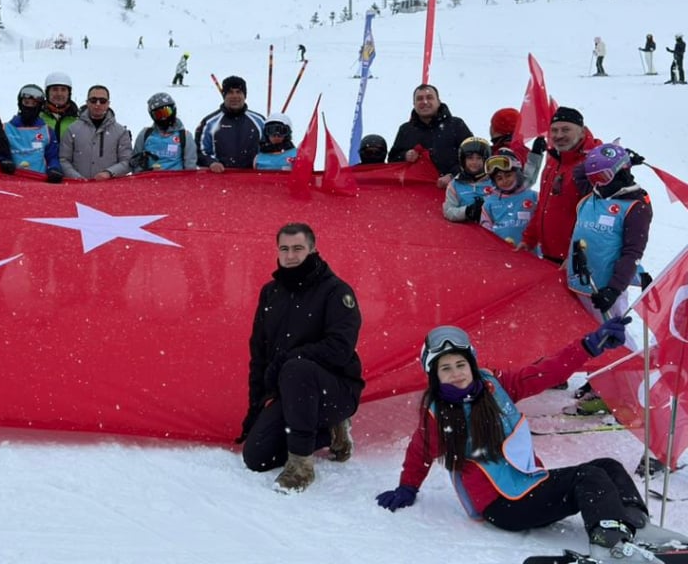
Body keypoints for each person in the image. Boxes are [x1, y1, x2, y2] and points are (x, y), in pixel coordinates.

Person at [374, 322, 668, 563]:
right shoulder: (438, 414)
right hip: (503, 506)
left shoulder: (495, 386)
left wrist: (587, 347)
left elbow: (546, 373)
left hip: (531, 486)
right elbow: (419, 452)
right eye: (446, 368)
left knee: (608, 466)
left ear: (472, 364)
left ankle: (636, 527)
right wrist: (407, 487)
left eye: (460, 364)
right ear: (435, 376)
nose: (456, 374)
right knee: (587, 477)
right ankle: (611, 547)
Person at [237, 222, 362, 493]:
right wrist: (254, 411)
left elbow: (340, 348)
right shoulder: (270, 292)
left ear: (313, 249)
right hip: (290, 393)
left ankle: (301, 466)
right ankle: (330, 431)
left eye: (298, 248)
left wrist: (290, 359)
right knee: (256, 457)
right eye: (284, 249)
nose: (291, 255)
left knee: (297, 368)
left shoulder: (336, 291)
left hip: (336, 390)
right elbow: (259, 355)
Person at [566, 142, 651, 322]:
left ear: (622, 172)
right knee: (583, 339)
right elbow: (578, 173)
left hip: (604, 290)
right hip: (577, 283)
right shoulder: (594, 194)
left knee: (610, 340)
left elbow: (632, 252)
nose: (597, 183)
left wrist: (614, 289)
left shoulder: (635, 207)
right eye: (593, 178)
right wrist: (615, 157)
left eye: (603, 177)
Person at [519, 106, 601, 263]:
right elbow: (543, 205)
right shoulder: (553, 160)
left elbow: (596, 219)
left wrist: (577, 255)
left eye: (565, 130)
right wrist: (529, 239)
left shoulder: (593, 164)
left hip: (578, 260)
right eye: (554, 130)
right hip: (550, 255)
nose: (559, 135)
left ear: (582, 132)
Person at [387, 84, 473, 188]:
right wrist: (405, 155)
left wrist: (453, 175)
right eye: (419, 99)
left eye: (429, 98)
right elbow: (392, 161)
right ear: (414, 104)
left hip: (457, 192)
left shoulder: (456, 125)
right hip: (419, 194)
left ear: (438, 101)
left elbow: (474, 157)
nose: (425, 102)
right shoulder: (406, 130)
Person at [195, 75, 268, 172]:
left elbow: (272, 148)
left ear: (244, 95)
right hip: (221, 179)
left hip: (252, 178)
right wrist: (211, 162)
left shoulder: (260, 121)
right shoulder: (209, 123)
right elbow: (198, 152)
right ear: (224, 95)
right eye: (230, 92)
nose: (235, 96)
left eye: (238, 92)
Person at [60, 85, 132, 180]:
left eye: (102, 101)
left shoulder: (121, 132)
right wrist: (76, 177)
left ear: (108, 103)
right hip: (78, 188)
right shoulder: (72, 129)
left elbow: (128, 161)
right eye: (93, 100)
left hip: (110, 189)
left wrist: (109, 173)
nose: (97, 104)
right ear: (87, 102)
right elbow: (63, 159)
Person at [4, 84, 63, 181]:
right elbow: (0, 153)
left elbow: (52, 156)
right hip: (13, 180)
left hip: (39, 181)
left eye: (34, 104)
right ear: (20, 103)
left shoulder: (47, 131)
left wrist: (54, 168)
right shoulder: (7, 129)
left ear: (39, 106)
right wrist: (4, 160)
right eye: (26, 103)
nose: (30, 107)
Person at [479, 150, 538, 247]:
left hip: (530, 254)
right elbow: (485, 231)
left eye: (508, 175)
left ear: (518, 174)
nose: (505, 181)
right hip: (501, 254)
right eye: (499, 178)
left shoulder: (533, 196)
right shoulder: (489, 203)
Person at [130, 92, 197, 172]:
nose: (164, 117)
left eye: (167, 112)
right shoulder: (145, 134)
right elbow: (136, 162)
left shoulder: (184, 136)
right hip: (150, 181)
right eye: (158, 115)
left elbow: (190, 167)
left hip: (176, 181)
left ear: (174, 110)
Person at [442, 137, 494, 223]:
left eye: (479, 158)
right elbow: (449, 211)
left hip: (492, 230)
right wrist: (468, 211)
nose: (474, 162)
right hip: (468, 231)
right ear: (463, 160)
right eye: (470, 158)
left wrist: (488, 207)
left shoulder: (494, 181)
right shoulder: (455, 185)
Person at [488, 107, 543, 184]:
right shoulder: (524, 151)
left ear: (496, 129)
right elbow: (528, 181)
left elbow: (517, 185)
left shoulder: (501, 153)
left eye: (492, 125)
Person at [41, 72, 79, 145]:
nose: (59, 93)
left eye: (63, 90)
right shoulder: (38, 116)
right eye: (55, 89)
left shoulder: (77, 119)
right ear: (47, 92)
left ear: (69, 93)